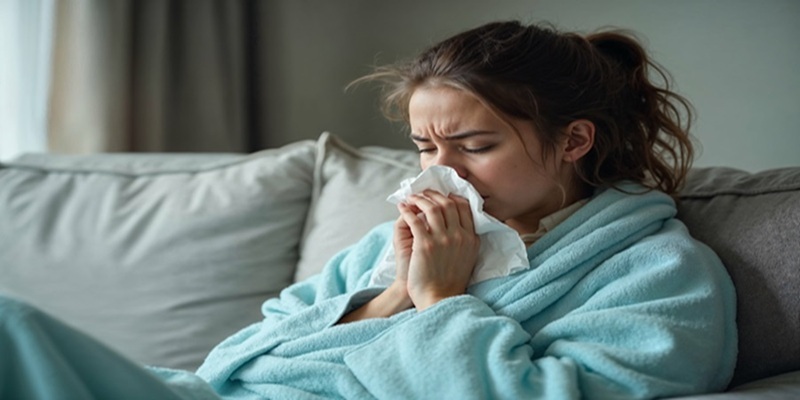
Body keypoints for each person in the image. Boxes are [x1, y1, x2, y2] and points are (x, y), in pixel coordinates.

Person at [0, 20, 736, 399]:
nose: (441, 172)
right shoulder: (400, 243)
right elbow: (238, 356)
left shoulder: (661, 276)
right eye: (423, 147)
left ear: (574, 139)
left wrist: (441, 303)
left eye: (474, 145)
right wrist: (394, 293)